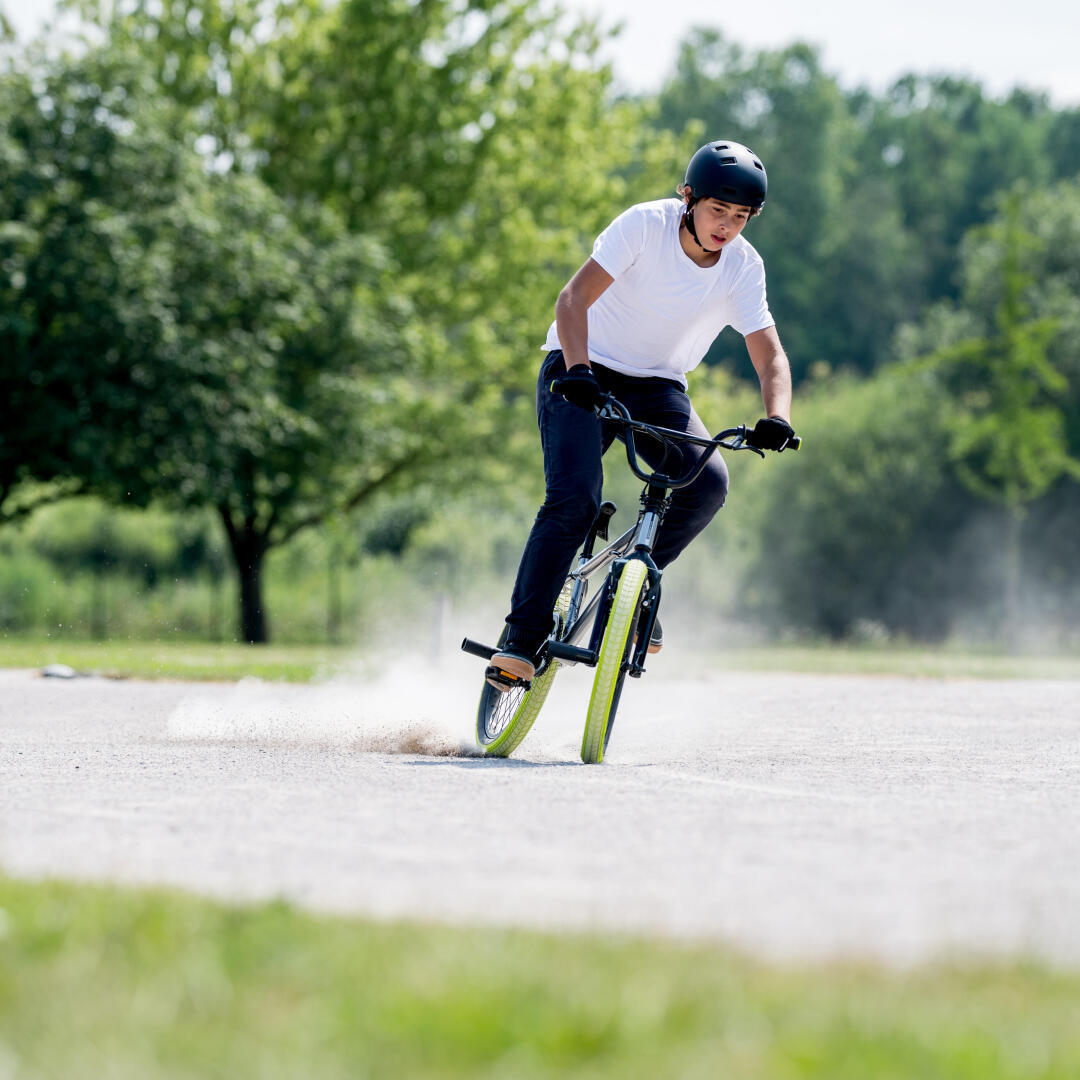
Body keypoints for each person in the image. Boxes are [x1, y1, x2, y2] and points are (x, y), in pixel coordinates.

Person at [487, 140, 797, 691]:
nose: (727, 226)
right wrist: (578, 369)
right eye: (718, 211)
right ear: (688, 198)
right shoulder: (644, 226)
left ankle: (628, 593)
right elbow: (572, 300)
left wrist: (777, 415)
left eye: (741, 217)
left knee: (707, 486)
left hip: (656, 385)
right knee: (574, 500)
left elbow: (769, 353)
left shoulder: (744, 269)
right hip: (581, 367)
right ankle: (519, 641)